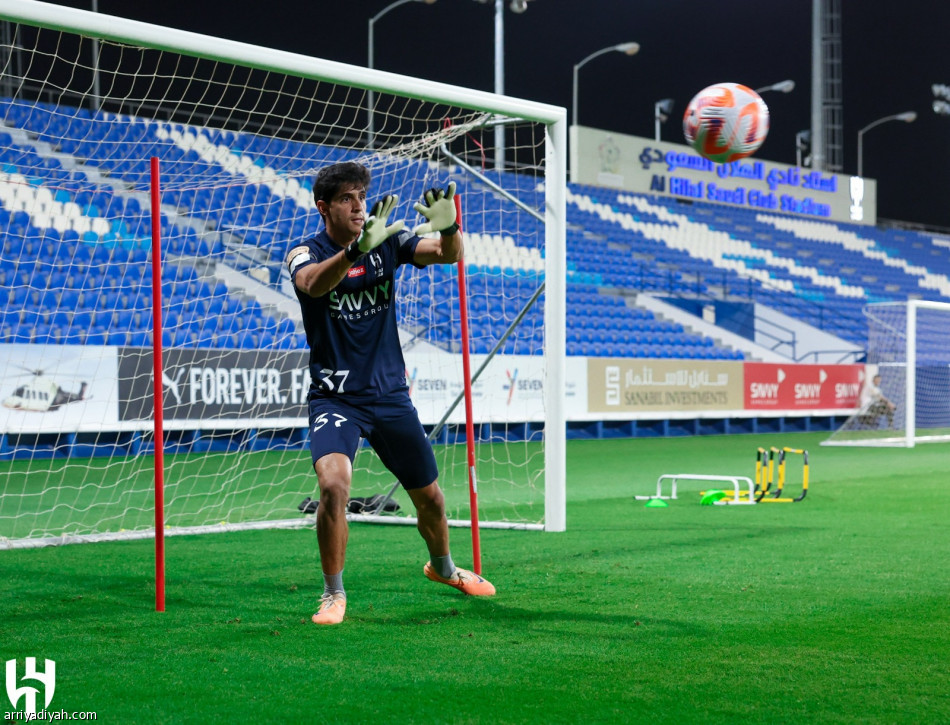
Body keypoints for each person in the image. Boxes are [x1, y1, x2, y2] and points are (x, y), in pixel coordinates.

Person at [286, 161, 495, 626]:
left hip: (390, 396)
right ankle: (332, 593)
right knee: (334, 485)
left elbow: (447, 254)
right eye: (346, 198)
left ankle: (443, 569)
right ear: (324, 208)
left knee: (433, 501)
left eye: (362, 195)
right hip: (336, 397)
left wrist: (451, 226)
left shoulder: (390, 241)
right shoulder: (304, 251)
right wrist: (357, 251)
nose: (359, 205)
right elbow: (313, 285)